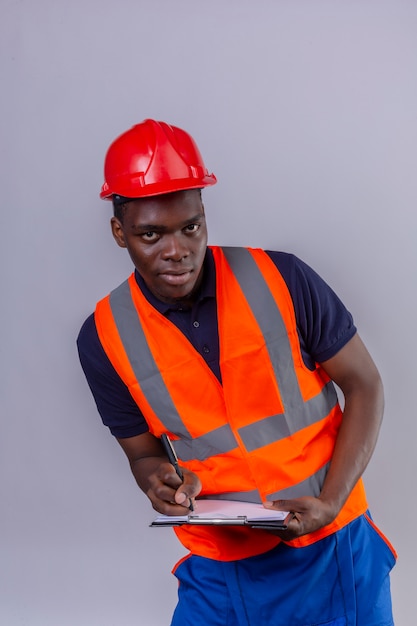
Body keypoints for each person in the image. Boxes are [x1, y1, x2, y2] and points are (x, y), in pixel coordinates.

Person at [77, 118, 396, 626]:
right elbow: (142, 454)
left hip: (332, 547)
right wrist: (155, 480)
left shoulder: (283, 278)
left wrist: (331, 502)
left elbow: (365, 385)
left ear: (205, 215)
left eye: (190, 227)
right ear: (120, 233)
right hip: (220, 568)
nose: (176, 249)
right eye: (151, 234)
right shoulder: (103, 337)